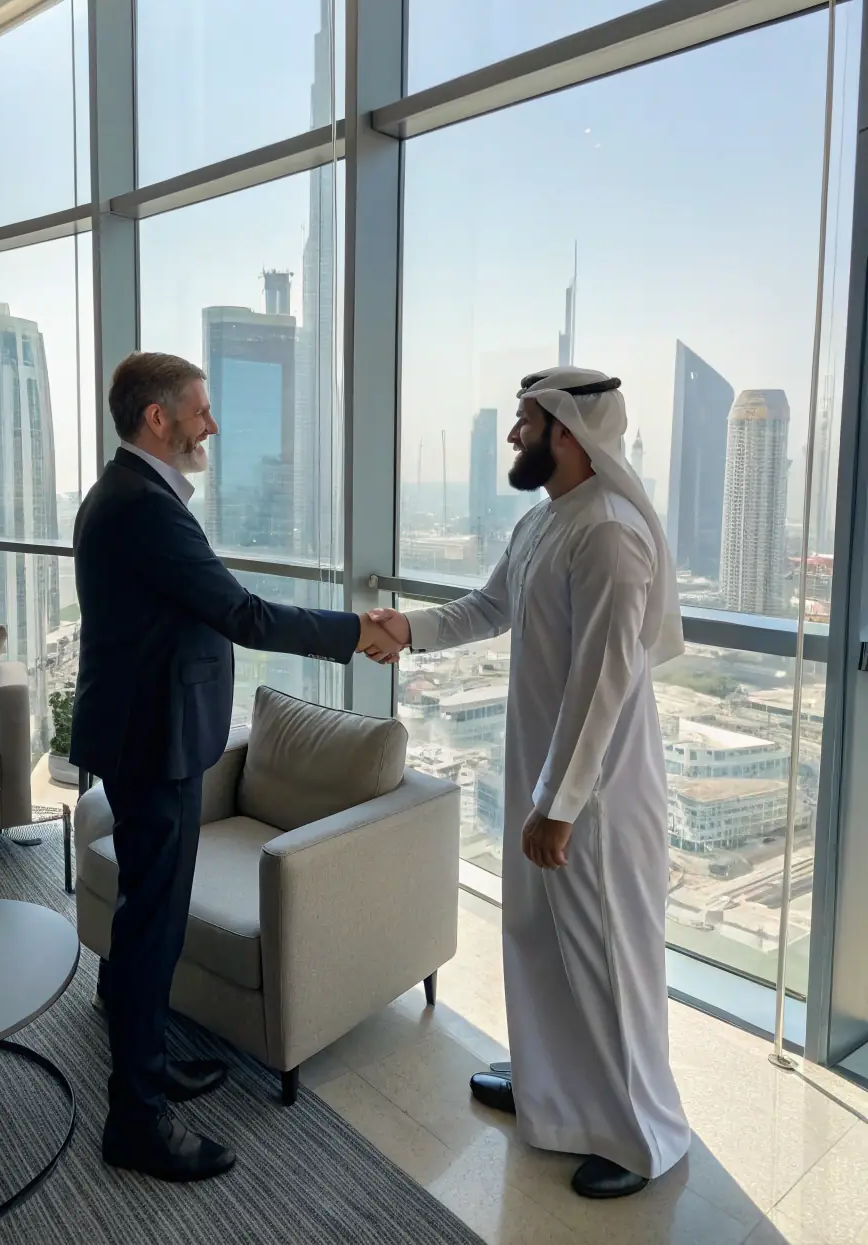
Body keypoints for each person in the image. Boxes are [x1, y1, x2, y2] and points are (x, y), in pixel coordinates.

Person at [70, 351, 401, 1183]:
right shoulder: (143, 507)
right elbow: (242, 614)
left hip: (147, 736)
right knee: (153, 925)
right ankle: (136, 1117)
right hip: (155, 744)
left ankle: (148, 1058)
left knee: (150, 915)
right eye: (201, 409)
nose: (211, 424)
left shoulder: (129, 494)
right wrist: (354, 631)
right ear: (158, 418)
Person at [369, 367, 690, 1200]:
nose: (513, 435)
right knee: (539, 936)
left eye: (526, 422)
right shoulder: (546, 520)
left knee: (606, 956)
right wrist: (408, 628)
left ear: (568, 433)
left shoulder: (611, 532)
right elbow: (487, 607)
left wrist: (562, 805)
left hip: (596, 796)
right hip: (543, 775)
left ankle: (642, 1134)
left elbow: (604, 683)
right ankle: (552, 1089)